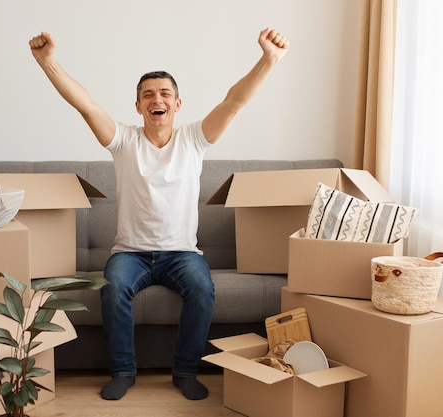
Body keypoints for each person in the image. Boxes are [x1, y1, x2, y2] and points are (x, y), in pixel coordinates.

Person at [29, 27, 289, 401]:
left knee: (203, 288)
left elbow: (233, 102)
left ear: (177, 105)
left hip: (182, 254)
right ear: (138, 107)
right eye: (148, 94)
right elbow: (85, 103)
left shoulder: (194, 140)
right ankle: (122, 371)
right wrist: (48, 62)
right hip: (129, 255)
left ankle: (185, 371)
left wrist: (268, 59)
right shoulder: (123, 141)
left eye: (165, 93)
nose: (157, 99)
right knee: (112, 287)